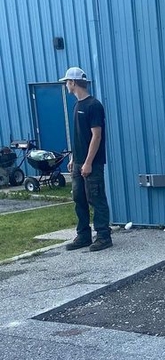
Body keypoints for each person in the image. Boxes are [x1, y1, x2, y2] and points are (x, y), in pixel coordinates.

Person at [59, 67, 113, 251]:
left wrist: (89, 162)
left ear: (73, 83)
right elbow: (79, 137)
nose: (66, 85)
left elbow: (96, 136)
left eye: (67, 82)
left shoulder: (93, 105)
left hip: (92, 164)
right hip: (78, 162)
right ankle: (83, 235)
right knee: (79, 198)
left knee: (96, 198)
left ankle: (103, 236)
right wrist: (74, 159)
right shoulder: (77, 106)